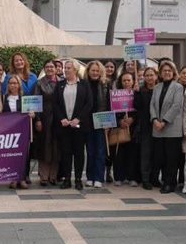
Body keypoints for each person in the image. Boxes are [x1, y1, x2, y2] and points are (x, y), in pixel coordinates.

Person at [56, 60, 92, 190]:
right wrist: (62, 118)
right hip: (65, 125)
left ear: (75, 70)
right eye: (65, 68)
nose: (65, 70)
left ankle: (77, 179)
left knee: (79, 153)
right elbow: (56, 104)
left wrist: (79, 119)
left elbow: (89, 104)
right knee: (65, 153)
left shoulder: (84, 85)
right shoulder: (60, 85)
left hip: (79, 126)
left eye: (69, 68)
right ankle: (66, 179)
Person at [151, 61, 185, 194]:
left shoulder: (178, 87)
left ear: (173, 73)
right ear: (160, 73)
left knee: (172, 158)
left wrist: (164, 121)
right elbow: (152, 105)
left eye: (169, 71)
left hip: (171, 128)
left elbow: (176, 106)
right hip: (157, 128)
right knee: (160, 157)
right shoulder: (157, 87)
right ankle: (164, 180)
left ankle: (170, 183)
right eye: (164, 70)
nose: (167, 73)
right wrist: (154, 120)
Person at [33, 61, 61, 186]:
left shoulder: (62, 82)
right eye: (47, 67)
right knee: (44, 147)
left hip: (60, 118)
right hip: (45, 117)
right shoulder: (39, 83)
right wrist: (38, 119)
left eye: (52, 67)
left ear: (56, 69)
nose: (50, 69)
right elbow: (36, 102)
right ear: (44, 69)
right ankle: (43, 176)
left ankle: (53, 176)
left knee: (57, 147)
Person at [3, 74, 33, 189]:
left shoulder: (25, 98)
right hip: (9, 132)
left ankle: (23, 178)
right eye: (11, 83)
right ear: (8, 85)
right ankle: (13, 178)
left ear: (19, 85)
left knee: (24, 155)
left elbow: (33, 111)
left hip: (23, 131)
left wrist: (33, 114)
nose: (13, 85)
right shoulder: (3, 97)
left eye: (15, 83)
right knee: (11, 155)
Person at [83, 60, 109, 188]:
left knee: (100, 151)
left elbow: (110, 104)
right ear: (88, 71)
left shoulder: (106, 85)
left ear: (101, 72)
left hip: (101, 121)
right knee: (90, 151)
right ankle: (90, 177)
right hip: (87, 122)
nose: (95, 73)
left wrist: (109, 122)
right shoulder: (83, 84)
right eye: (92, 70)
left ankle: (99, 177)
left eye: (97, 71)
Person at [111, 71, 139, 184]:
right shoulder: (115, 94)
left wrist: (133, 119)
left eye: (129, 80)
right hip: (120, 128)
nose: (126, 82)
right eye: (124, 80)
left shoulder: (137, 94)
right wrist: (119, 121)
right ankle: (119, 177)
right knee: (119, 154)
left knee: (132, 154)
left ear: (133, 82)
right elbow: (112, 111)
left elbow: (140, 110)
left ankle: (132, 177)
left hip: (133, 128)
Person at [135, 66, 157, 190]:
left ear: (156, 76)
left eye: (151, 75)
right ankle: (145, 179)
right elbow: (137, 106)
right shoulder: (141, 90)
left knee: (157, 154)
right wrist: (137, 93)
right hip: (145, 126)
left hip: (159, 125)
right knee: (146, 153)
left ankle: (154, 177)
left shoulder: (159, 89)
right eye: (146, 75)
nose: (149, 77)